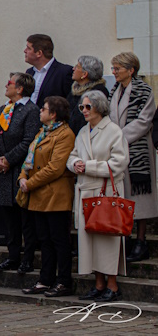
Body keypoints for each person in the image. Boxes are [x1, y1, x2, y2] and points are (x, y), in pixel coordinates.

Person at [67, 90, 129, 301]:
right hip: (86, 190)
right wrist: (76, 164)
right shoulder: (83, 131)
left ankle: (112, 285)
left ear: (99, 108)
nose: (84, 111)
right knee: (90, 240)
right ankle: (99, 283)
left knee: (107, 238)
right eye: (81, 107)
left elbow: (119, 162)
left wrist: (89, 166)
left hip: (106, 190)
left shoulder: (113, 131)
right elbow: (72, 156)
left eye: (88, 107)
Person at [18, 97, 76, 297]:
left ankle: (64, 281)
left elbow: (55, 168)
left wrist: (30, 183)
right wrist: (22, 177)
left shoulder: (65, 134)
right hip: (39, 195)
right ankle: (45, 279)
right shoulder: (42, 132)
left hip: (55, 196)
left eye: (43, 109)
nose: (40, 111)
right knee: (44, 239)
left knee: (59, 239)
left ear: (53, 114)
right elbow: (30, 159)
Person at [0, 73, 41, 274]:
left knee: (25, 218)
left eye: (9, 83)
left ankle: (27, 259)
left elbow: (29, 140)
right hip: (2, 172)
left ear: (19, 88)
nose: (6, 85)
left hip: (18, 170)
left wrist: (8, 159)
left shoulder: (31, 110)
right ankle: (12, 256)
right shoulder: (4, 109)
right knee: (9, 219)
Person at [109, 52, 157, 263]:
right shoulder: (114, 91)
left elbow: (144, 121)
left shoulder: (144, 91)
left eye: (117, 68)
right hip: (118, 150)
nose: (114, 72)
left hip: (138, 149)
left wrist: (118, 137)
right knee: (123, 195)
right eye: (113, 68)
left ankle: (141, 241)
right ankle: (126, 238)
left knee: (140, 195)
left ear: (131, 70)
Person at [24, 34, 73, 107]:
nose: (25, 51)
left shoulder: (64, 72)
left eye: (28, 48)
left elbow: (70, 103)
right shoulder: (29, 72)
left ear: (39, 53)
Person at [67, 55, 109, 135]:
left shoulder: (98, 92)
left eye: (77, 67)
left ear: (84, 74)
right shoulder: (74, 90)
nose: (73, 69)